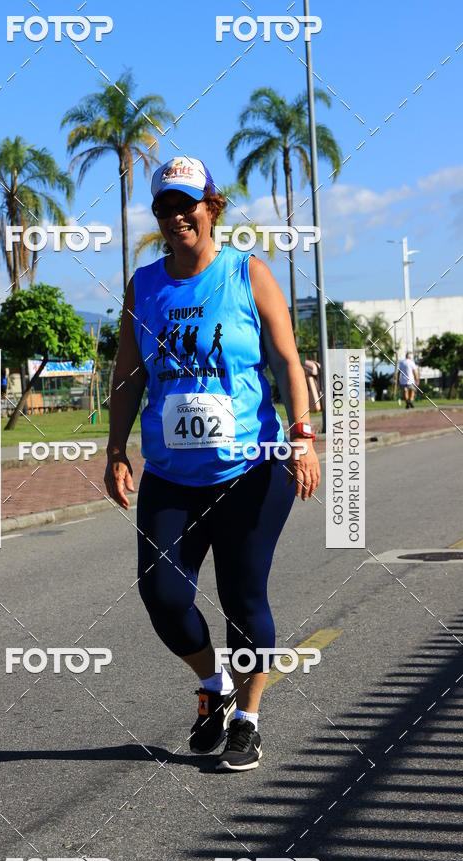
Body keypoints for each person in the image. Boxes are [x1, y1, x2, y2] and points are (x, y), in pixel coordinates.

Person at [104, 155, 320, 772]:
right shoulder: (143, 285)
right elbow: (129, 374)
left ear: (211, 207)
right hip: (171, 474)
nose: (176, 217)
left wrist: (302, 438)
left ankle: (247, 718)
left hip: (251, 469)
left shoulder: (246, 272)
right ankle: (215, 686)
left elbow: (284, 359)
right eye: (164, 208)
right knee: (164, 596)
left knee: (242, 595)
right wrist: (116, 450)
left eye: (186, 204)